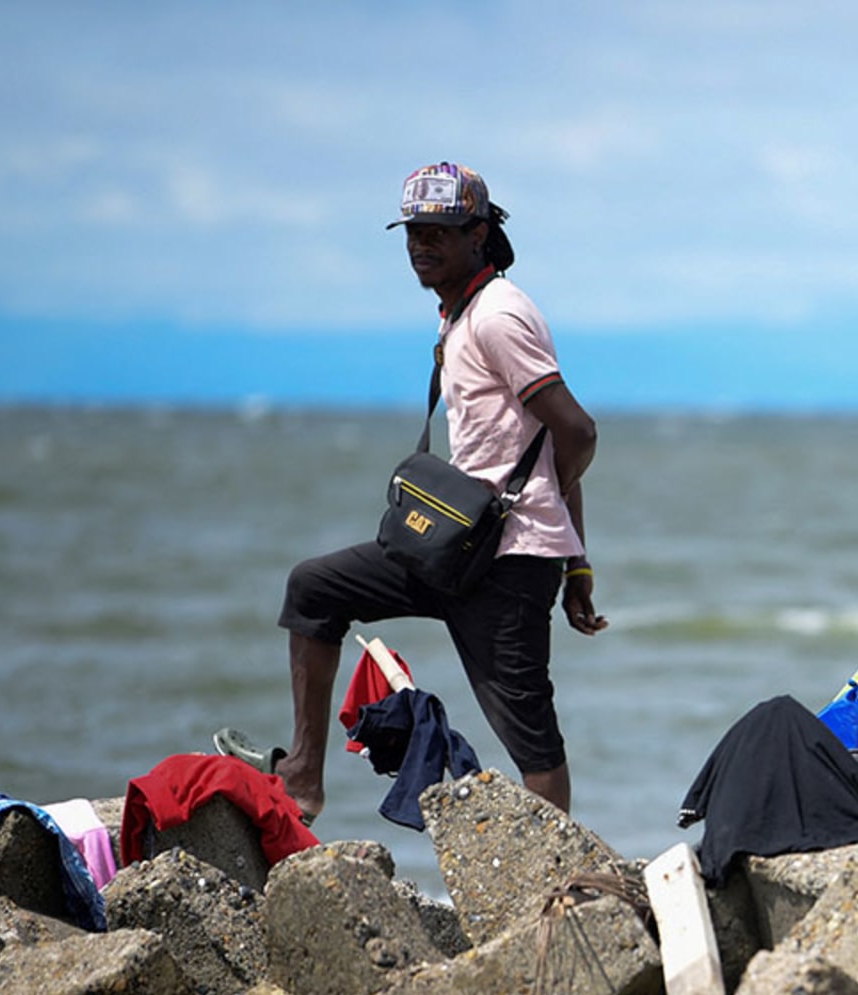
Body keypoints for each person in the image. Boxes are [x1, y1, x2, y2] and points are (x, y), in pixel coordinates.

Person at [237, 161, 606, 822]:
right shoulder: (460, 314)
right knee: (314, 589)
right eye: (413, 233)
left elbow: (574, 432)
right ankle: (303, 779)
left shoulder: (498, 316)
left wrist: (554, 539)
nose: (422, 246)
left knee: (531, 739)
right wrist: (576, 556)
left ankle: (553, 881)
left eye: (439, 232)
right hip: (455, 547)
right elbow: (544, 446)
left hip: (509, 563)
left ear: (480, 233)